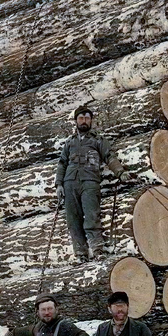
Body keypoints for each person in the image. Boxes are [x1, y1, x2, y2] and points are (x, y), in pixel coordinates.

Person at [56, 105, 130, 262]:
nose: (84, 121)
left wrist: (120, 172)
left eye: (87, 118)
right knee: (73, 219)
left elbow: (109, 156)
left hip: (90, 182)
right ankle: (80, 254)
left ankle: (97, 250)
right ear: (76, 121)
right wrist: (59, 184)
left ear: (91, 121)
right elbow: (62, 163)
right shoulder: (70, 143)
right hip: (70, 183)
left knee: (91, 216)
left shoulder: (98, 140)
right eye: (81, 118)